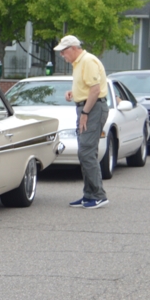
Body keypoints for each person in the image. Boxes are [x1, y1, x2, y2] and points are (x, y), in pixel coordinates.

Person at [56, 34, 109, 209]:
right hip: (87, 107)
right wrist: (74, 93)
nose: (62, 56)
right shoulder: (78, 63)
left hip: (92, 109)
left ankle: (98, 195)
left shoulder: (87, 61)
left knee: (87, 152)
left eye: (63, 52)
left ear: (73, 48)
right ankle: (89, 195)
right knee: (84, 152)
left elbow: (95, 90)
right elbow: (87, 88)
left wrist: (85, 112)